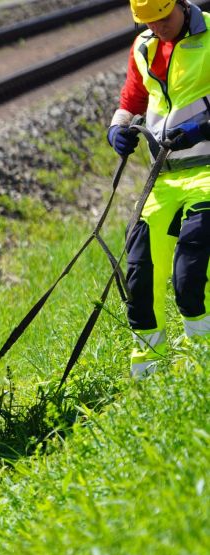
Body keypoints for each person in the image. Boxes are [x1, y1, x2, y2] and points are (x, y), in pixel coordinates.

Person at [107, 0, 210, 378]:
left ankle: (202, 368)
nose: (159, 27)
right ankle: (148, 374)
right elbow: (131, 101)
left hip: (207, 174)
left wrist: (203, 128)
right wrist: (117, 128)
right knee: (140, 274)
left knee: (190, 274)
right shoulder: (143, 47)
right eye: (149, 21)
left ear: (182, 4)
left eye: (164, 17)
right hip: (163, 179)